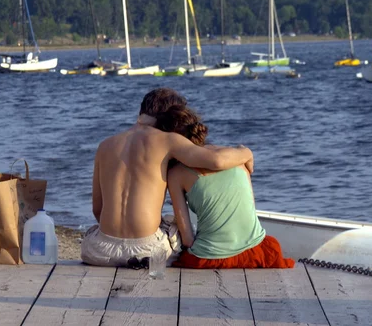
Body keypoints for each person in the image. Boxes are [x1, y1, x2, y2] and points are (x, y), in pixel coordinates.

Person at [81, 88, 254, 267]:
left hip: (100, 251)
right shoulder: (167, 140)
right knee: (173, 225)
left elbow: (97, 209)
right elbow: (217, 161)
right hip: (147, 251)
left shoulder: (105, 145)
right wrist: (246, 152)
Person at [156, 105, 295, 269]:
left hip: (210, 258)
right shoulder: (235, 156)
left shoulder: (176, 174)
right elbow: (249, 208)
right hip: (258, 252)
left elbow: (187, 239)